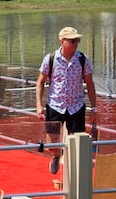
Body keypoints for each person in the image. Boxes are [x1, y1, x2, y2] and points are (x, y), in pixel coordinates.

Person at [38, 26, 95, 173]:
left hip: (76, 106)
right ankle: (56, 156)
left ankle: (74, 172)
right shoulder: (50, 59)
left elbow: (89, 83)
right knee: (52, 143)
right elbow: (40, 82)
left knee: (77, 143)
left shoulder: (82, 59)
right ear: (62, 41)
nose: (76, 43)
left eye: (77, 40)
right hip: (55, 105)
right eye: (72, 41)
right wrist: (39, 105)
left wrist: (94, 108)